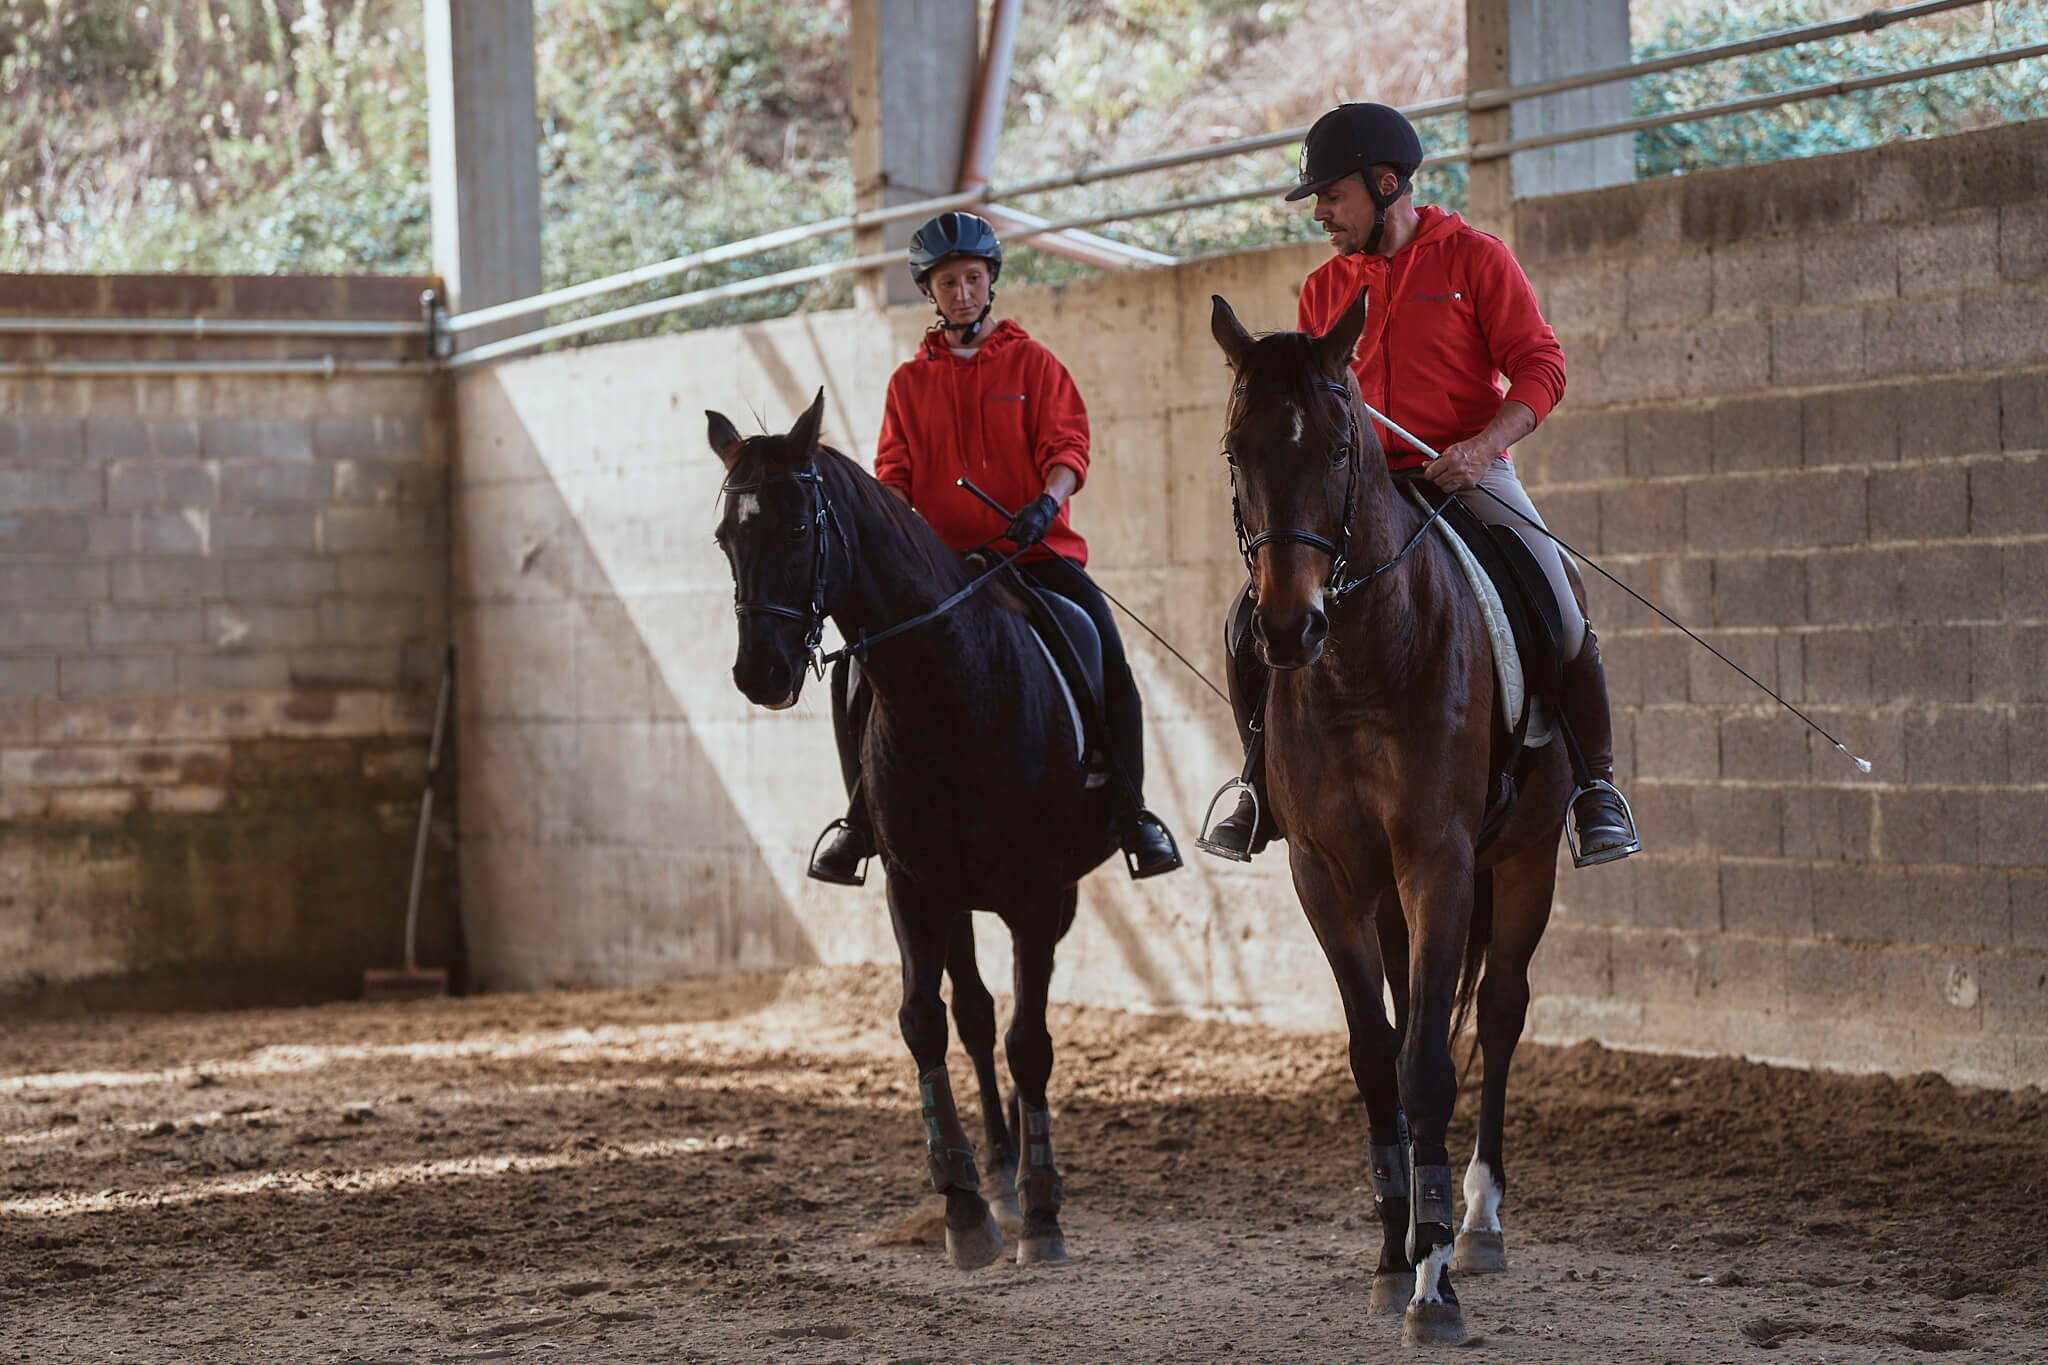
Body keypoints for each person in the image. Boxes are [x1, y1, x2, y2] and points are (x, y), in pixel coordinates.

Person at [1200, 102, 1640, 868]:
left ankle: (1595, 788)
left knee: (1561, 608)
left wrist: (1482, 447)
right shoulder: (1322, 290)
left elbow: (1542, 366)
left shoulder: (1476, 258)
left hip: (1467, 473)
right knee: (1247, 619)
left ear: (1386, 183)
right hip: (1362, 492)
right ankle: (1259, 788)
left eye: (1332, 197)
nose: (1323, 216)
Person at [808, 210, 1183, 884]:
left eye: (973, 279)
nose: (962, 293)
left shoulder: (1034, 364)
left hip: (1034, 556)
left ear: (991, 281)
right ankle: (859, 820)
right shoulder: (907, 384)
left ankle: (1132, 812)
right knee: (853, 669)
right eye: (947, 282)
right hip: (939, 571)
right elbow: (893, 480)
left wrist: (1048, 500)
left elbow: (1067, 448)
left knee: (1104, 649)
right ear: (930, 290)